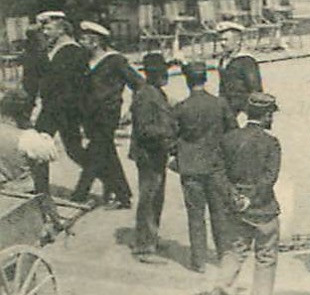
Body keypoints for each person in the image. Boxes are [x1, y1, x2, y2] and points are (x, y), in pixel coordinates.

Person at [208, 93, 281, 295]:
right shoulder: (271, 143)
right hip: (263, 209)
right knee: (266, 255)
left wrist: (233, 196)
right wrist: (252, 198)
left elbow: (217, 172)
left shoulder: (228, 139)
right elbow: (270, 177)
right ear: (267, 115)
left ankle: (222, 286)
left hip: (235, 208)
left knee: (234, 252)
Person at [174, 60, 233, 272]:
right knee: (220, 212)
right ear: (205, 79)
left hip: (190, 169)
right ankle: (224, 255)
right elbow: (232, 132)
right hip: (216, 166)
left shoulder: (181, 108)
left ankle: (198, 261)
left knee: (195, 215)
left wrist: (178, 153)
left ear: (187, 81)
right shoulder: (220, 104)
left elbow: (172, 137)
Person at [75, 21, 140, 208]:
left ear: (95, 42)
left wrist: (131, 109)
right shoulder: (86, 61)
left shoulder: (115, 61)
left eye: (84, 39)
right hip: (90, 116)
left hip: (107, 115)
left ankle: (79, 194)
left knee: (96, 151)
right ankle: (123, 195)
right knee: (106, 153)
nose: (81, 43)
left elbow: (139, 84)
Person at [129, 52, 176, 261]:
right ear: (150, 74)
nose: (165, 75)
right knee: (149, 198)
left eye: (165, 70)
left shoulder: (155, 92)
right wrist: (169, 132)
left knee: (156, 197)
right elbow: (144, 129)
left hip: (156, 153)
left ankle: (151, 237)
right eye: (160, 72)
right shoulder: (146, 96)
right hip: (148, 154)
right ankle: (144, 246)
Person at [33, 11, 88, 180]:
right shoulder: (55, 50)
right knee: (37, 148)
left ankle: (113, 182)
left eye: (48, 28)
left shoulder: (72, 51)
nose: (44, 32)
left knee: (74, 151)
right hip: (53, 107)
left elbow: (68, 84)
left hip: (65, 109)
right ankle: (41, 191)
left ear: (61, 30)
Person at [0, 89, 62, 234]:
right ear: (25, 112)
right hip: (22, 194)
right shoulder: (28, 137)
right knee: (39, 165)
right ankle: (47, 215)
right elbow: (51, 155)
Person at [216, 21, 262, 121]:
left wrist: (249, 114)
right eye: (220, 40)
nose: (222, 43)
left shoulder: (246, 61)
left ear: (237, 41)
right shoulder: (224, 59)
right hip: (227, 111)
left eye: (226, 40)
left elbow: (255, 89)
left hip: (243, 112)